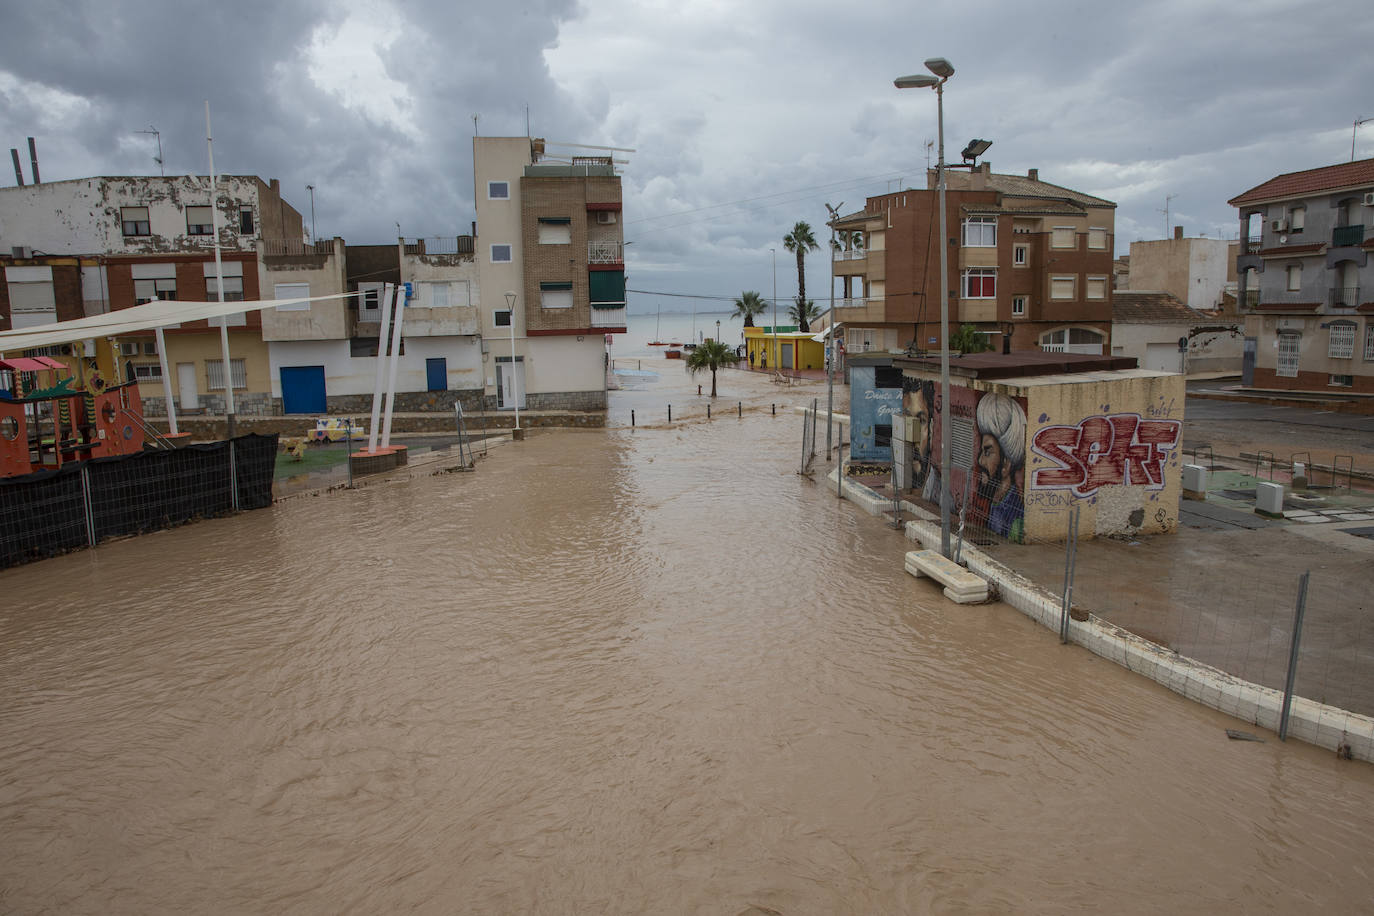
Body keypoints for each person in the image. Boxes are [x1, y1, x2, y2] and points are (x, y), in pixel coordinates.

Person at [974, 392, 1027, 542]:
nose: (980, 460)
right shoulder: (997, 502)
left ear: (1006, 464)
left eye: (987, 452)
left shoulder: (1015, 518)